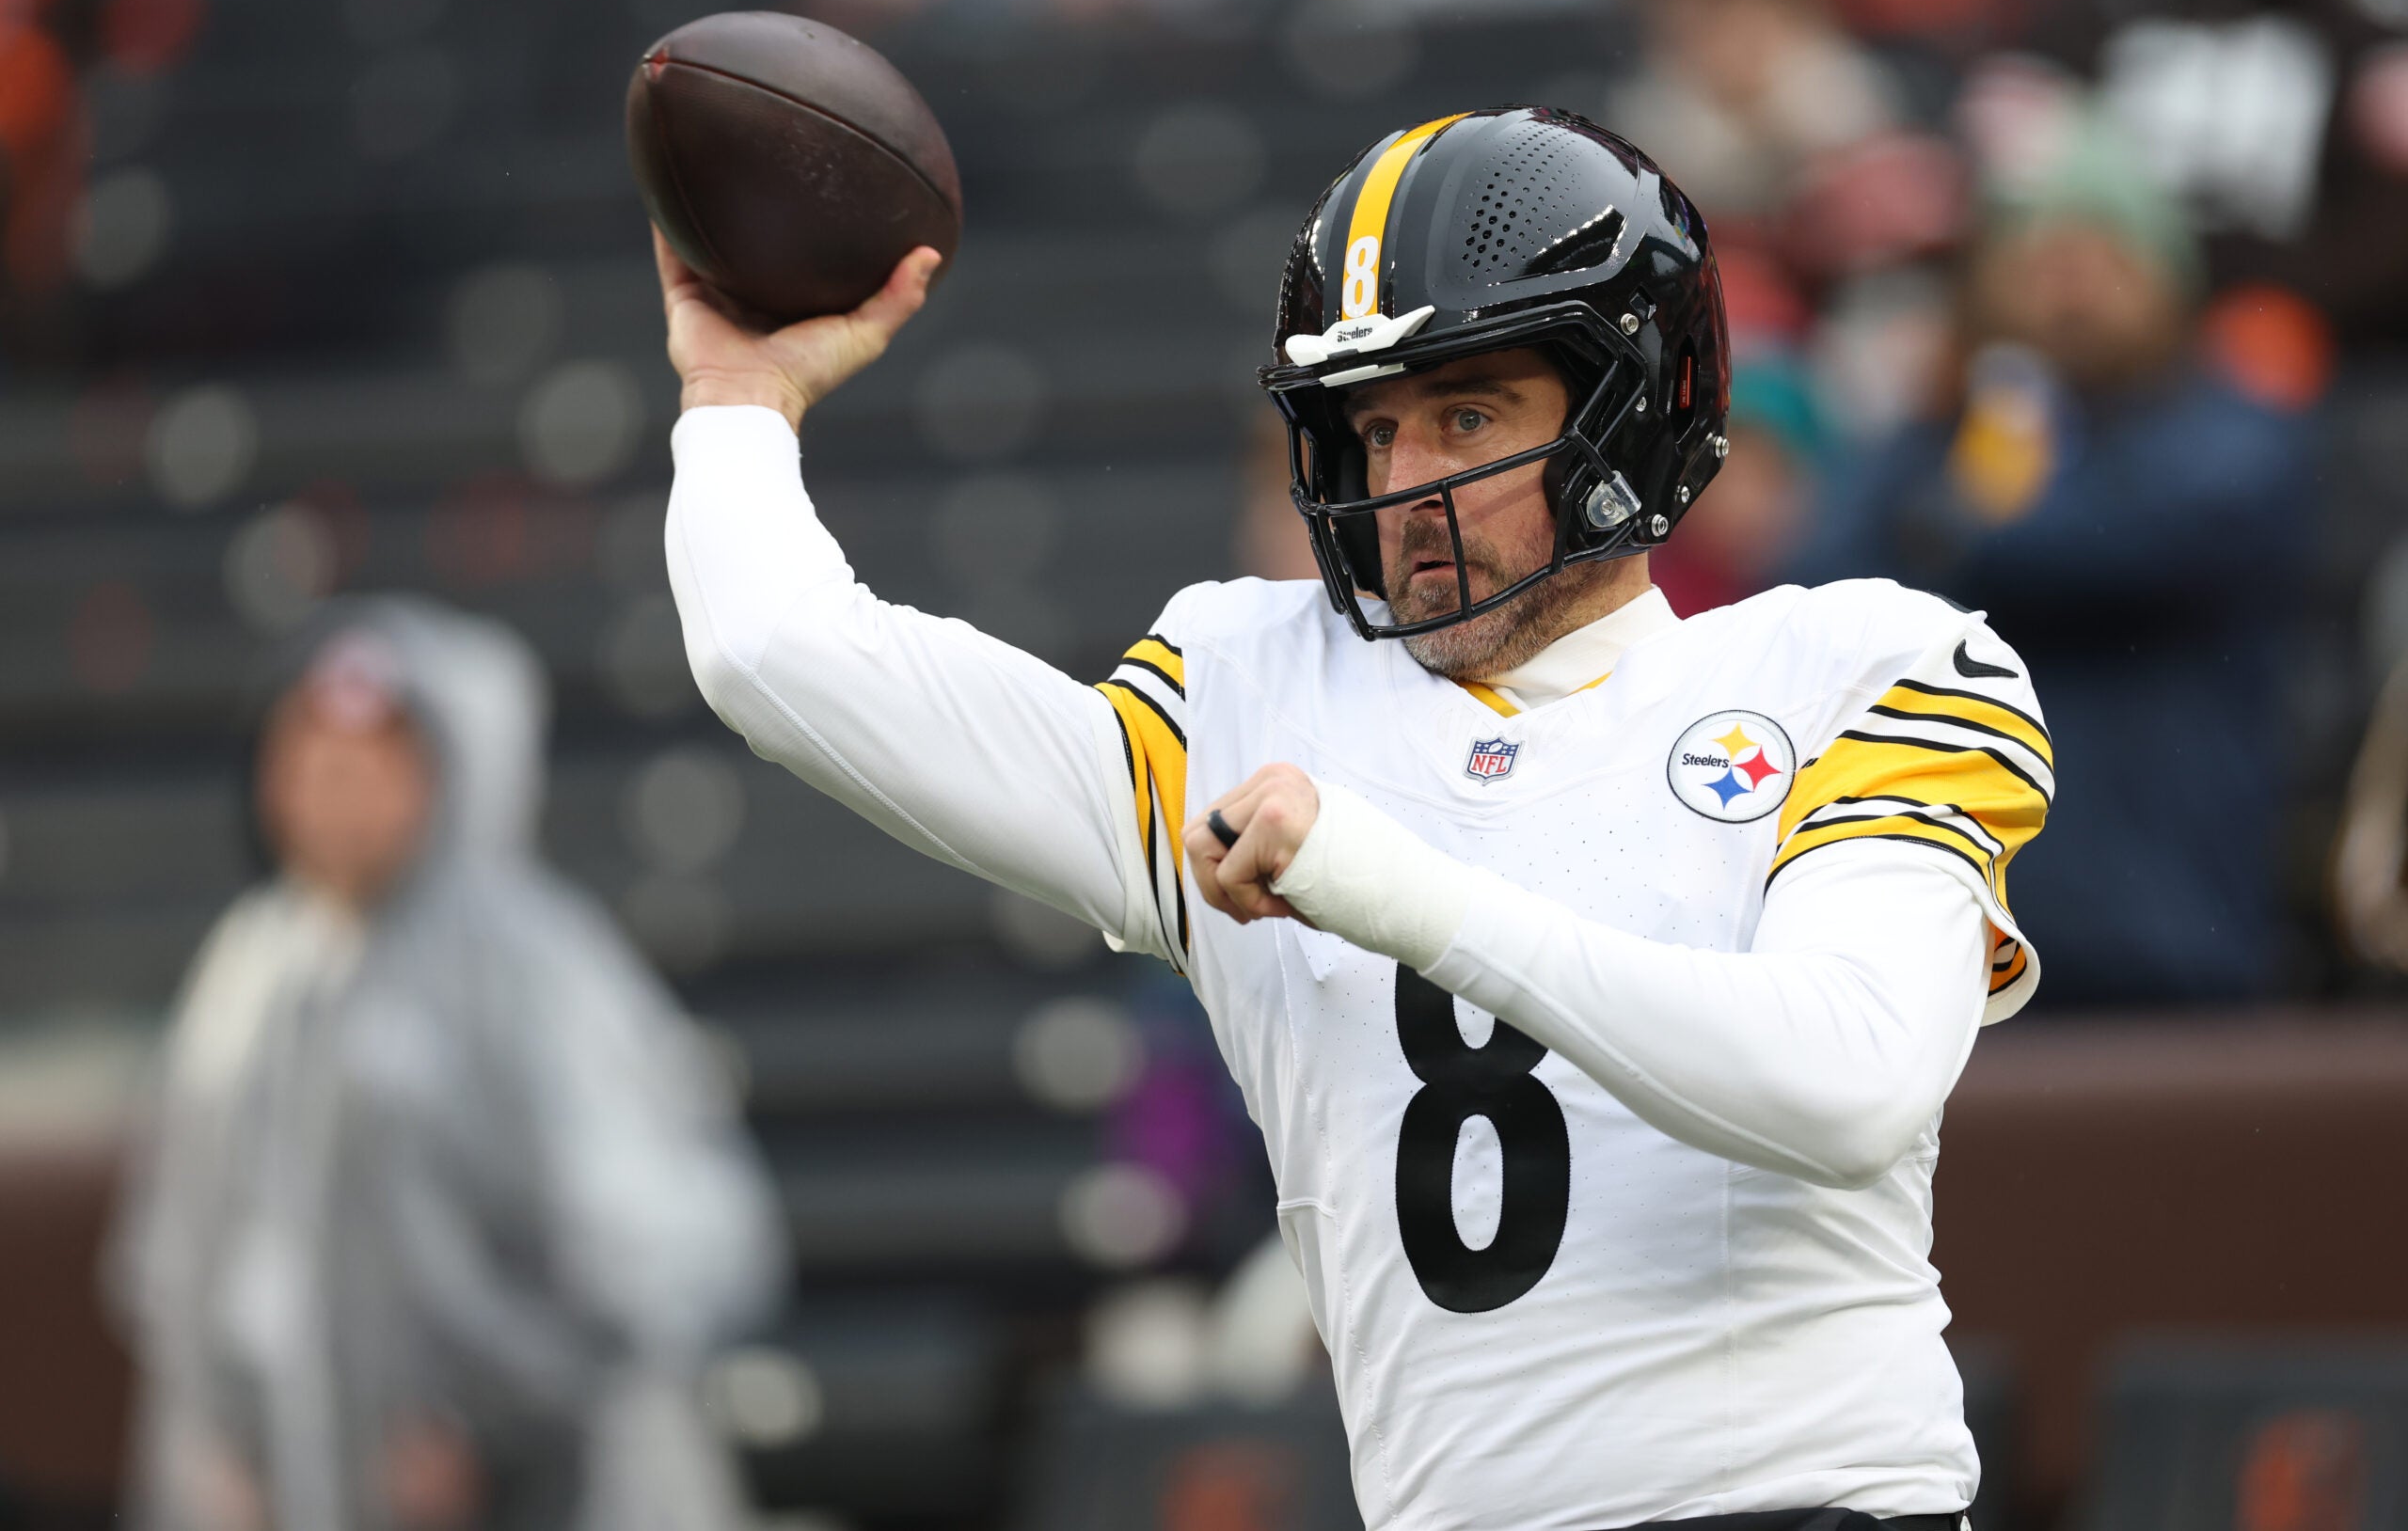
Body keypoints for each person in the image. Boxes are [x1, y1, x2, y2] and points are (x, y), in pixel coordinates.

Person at [658, 108, 2050, 1527]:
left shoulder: (1859, 669)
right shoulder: (1253, 690)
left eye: (1466, 417)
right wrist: (735, 400)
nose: (1403, 487)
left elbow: (1847, 1086)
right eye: (1372, 428)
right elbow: (773, 656)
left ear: (1631, 406)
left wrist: (1389, 888)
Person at [111, 596, 786, 1531]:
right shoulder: (253, 968)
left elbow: (668, 1254)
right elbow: (184, 1248)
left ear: (447, 775)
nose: (334, 791)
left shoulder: (531, 967)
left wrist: (493, 1426)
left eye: (372, 762)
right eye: (308, 758)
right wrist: (224, 1431)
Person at [1808, 110, 2308, 1007]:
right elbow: (1818, 598)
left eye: (2107, 259)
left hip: (2178, 945)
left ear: (2170, 285)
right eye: (2040, 259)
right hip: (1960, 956)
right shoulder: (1916, 452)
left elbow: (2100, 549)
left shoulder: (2236, 442)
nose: (2071, 289)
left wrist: (1964, 512)